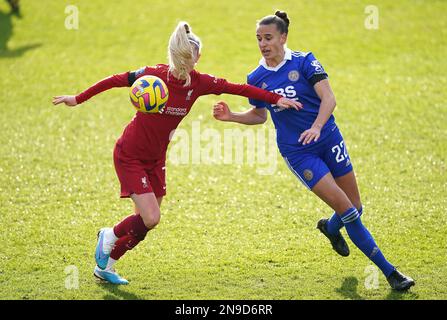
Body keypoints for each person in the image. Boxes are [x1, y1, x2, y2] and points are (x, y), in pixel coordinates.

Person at [52, 21, 301, 285]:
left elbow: (239, 88)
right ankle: (109, 235)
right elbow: (115, 80)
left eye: (192, 54)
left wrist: (275, 99)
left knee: (146, 222)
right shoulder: (152, 75)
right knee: (151, 217)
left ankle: (106, 267)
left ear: (196, 57)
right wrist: (78, 98)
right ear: (180, 53)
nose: (189, 58)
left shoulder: (200, 82)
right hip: (130, 154)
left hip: (156, 158)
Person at [213, 11, 415, 291]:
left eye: (269, 38)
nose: (263, 44)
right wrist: (232, 116)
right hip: (299, 153)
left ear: (283, 37)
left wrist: (318, 127)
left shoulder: (305, 61)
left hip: (329, 138)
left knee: (356, 206)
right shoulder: (255, 77)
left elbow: (329, 98)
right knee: (349, 212)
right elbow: (260, 115)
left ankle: (330, 228)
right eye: (259, 38)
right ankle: (391, 273)